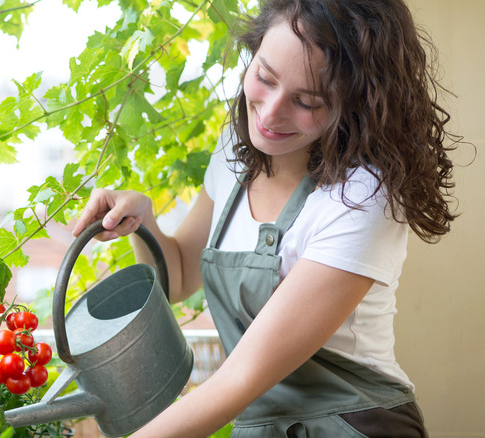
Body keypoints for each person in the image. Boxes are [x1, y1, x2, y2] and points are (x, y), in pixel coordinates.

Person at [71, 0, 460, 436]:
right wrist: (144, 221)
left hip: (353, 424)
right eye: (265, 78)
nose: (271, 113)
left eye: (307, 101)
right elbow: (177, 277)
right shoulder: (234, 154)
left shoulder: (362, 196)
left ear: (352, 104)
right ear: (251, 54)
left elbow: (241, 378)